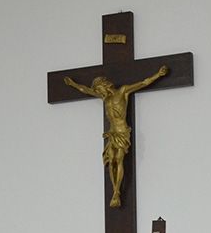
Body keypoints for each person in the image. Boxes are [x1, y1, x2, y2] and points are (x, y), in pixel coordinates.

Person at [64, 66, 168, 207]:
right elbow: (87, 90)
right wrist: (73, 84)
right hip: (111, 133)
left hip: (122, 132)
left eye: (99, 89)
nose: (99, 92)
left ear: (105, 85)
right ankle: (115, 190)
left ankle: (117, 191)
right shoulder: (105, 98)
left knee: (119, 160)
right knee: (111, 160)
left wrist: (158, 74)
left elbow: (143, 83)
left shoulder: (123, 91)